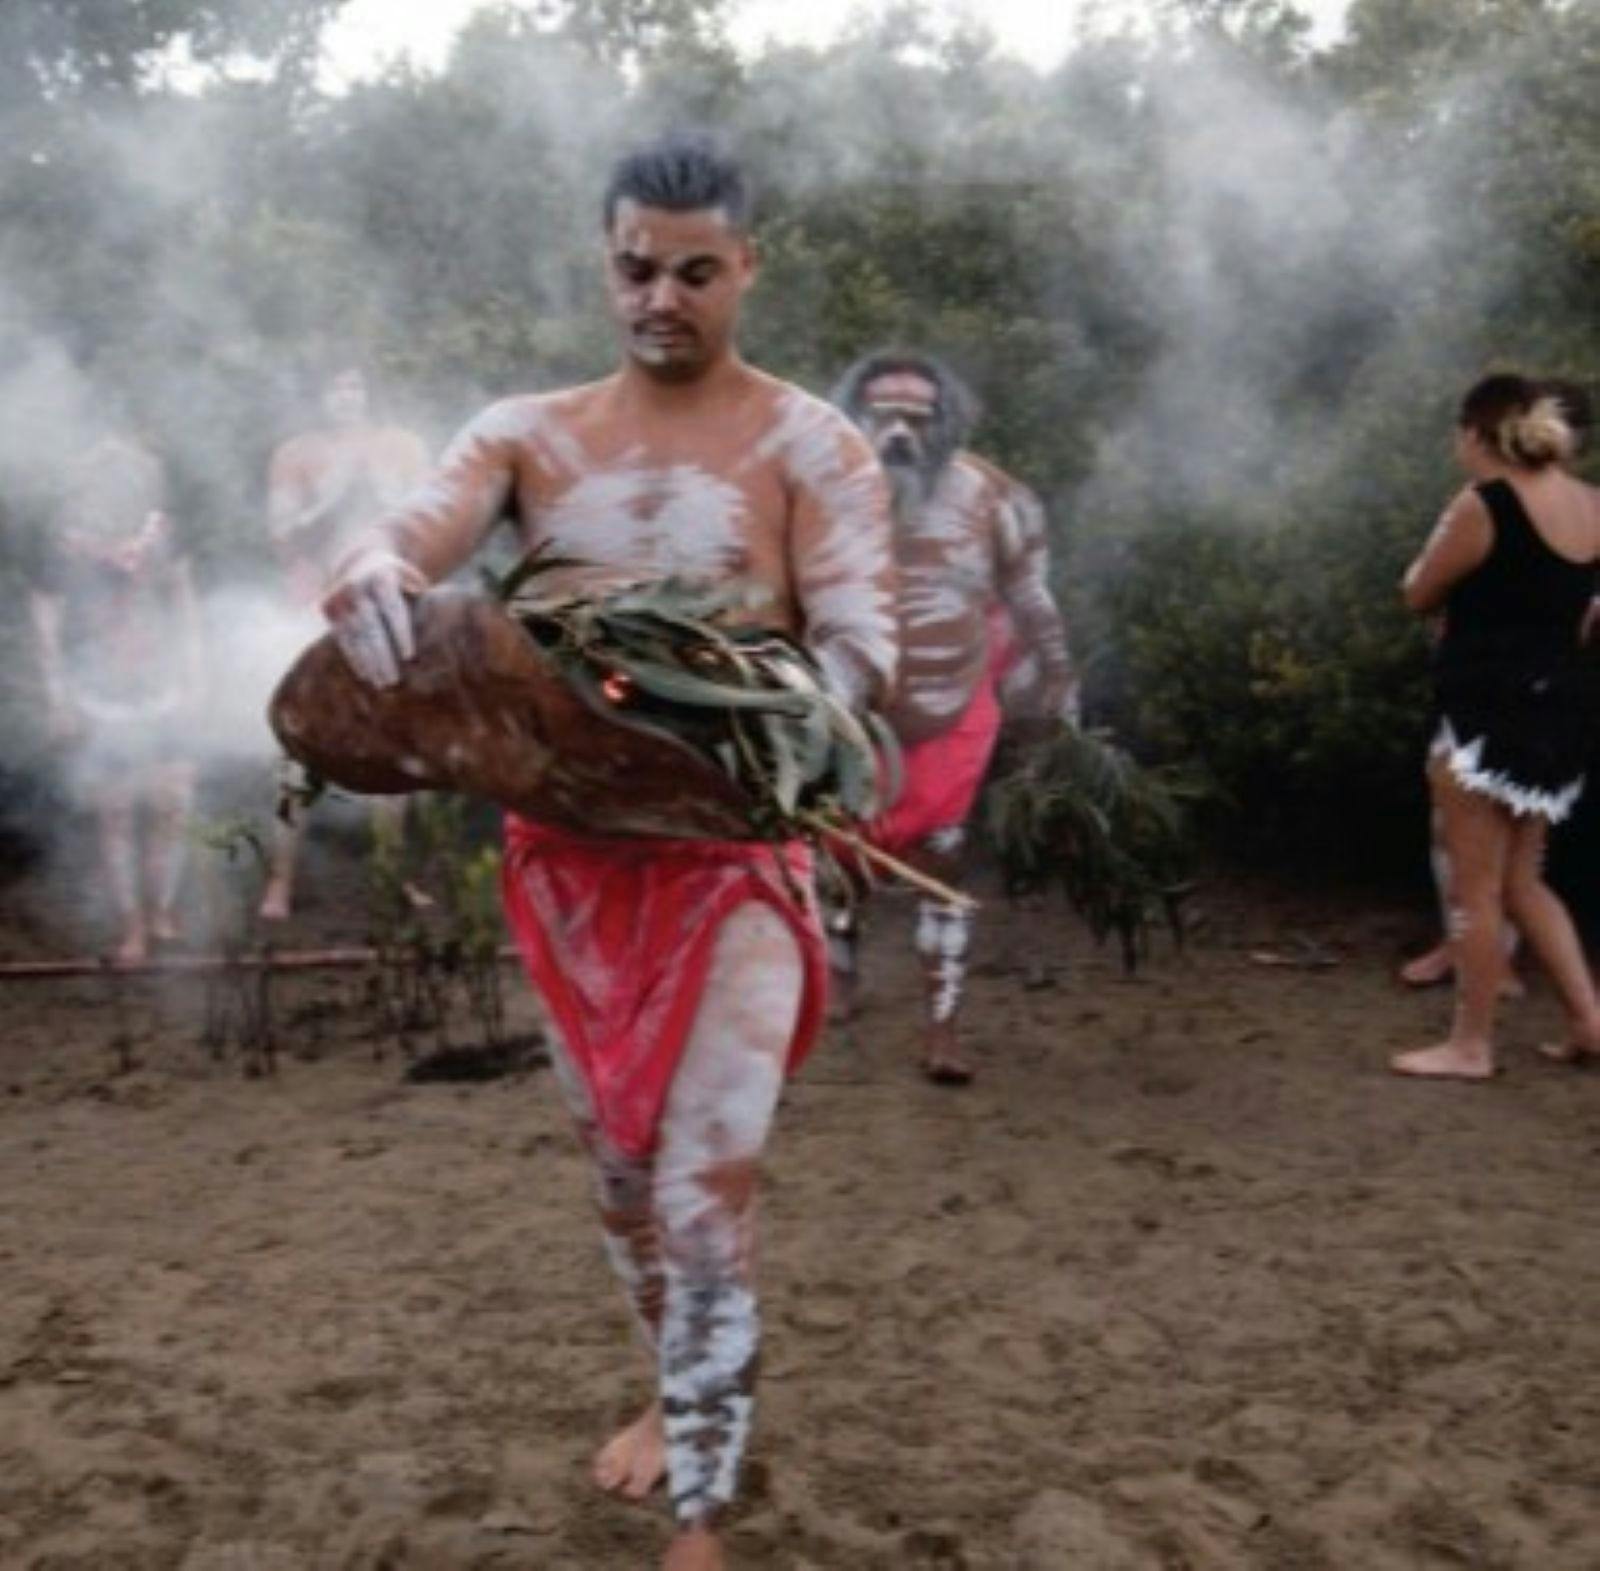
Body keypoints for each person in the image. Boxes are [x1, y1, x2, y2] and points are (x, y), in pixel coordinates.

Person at [319, 133, 896, 1571]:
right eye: (638, 267)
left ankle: (701, 1507)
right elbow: (417, 527)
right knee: (626, 1182)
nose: (664, 297)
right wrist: (379, 569)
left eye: (698, 272)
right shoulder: (530, 431)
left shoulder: (810, 443)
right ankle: (675, 1383)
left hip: (733, 857)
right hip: (569, 868)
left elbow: (861, 642)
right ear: (606, 259)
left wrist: (803, 722)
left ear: (747, 266)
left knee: (707, 1181)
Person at [828, 350, 1076, 1083]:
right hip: (852, 715)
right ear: (853, 415)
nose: (900, 431)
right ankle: (840, 975)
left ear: (947, 422)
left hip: (950, 709)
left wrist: (1057, 688)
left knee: (942, 860)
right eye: (883, 414)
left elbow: (1032, 599)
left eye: (918, 416)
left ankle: (942, 1026)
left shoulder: (992, 495)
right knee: (841, 855)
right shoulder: (820, 489)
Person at [1391, 373, 1600, 1080]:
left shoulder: (1484, 505)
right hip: (1558, 712)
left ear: (1476, 433)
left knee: (1473, 888)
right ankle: (1590, 1021)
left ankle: (1471, 1045)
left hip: (1482, 714)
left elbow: (1417, 591)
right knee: (1524, 881)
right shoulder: (1590, 504)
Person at [258, 363, 432, 920]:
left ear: (370, 393)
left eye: (355, 385)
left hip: (388, 604)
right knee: (295, 746)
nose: (345, 396)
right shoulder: (295, 453)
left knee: (398, 745)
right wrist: (331, 496)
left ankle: (392, 877)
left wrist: (381, 492)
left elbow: (430, 525)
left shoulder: (403, 446)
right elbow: (281, 538)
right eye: (335, 385)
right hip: (314, 604)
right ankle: (279, 884)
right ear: (320, 396)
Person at [30, 426, 204, 965]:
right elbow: (45, 623)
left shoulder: (165, 534)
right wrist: (57, 696)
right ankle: (131, 926)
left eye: (129, 472)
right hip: (101, 692)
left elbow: (185, 606)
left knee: (173, 801)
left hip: (164, 687)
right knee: (117, 810)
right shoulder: (62, 545)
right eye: (104, 474)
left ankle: (162, 911)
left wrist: (199, 675)